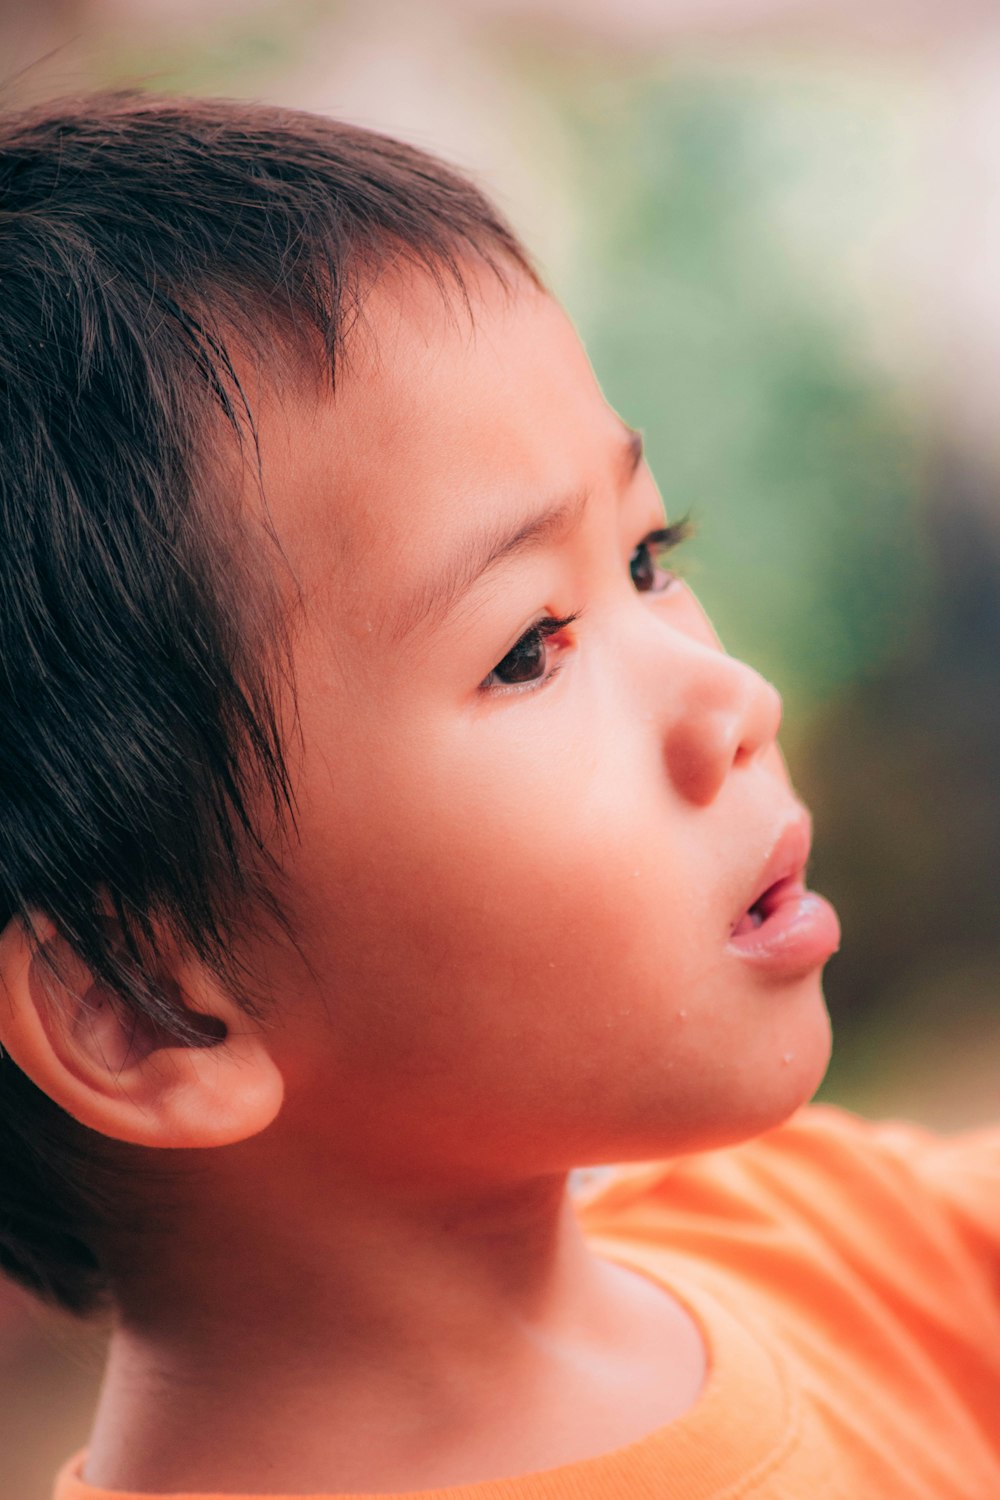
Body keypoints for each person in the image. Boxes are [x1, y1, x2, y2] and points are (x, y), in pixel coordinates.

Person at [0, 91, 997, 1500]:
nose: (732, 701)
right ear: (143, 1003)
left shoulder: (832, 1244)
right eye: (528, 648)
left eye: (650, 556)